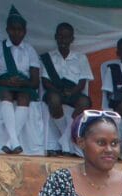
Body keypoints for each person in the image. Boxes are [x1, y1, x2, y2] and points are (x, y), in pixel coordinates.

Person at [0, 5, 40, 154]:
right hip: (3, 84)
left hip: (24, 86)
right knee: (6, 95)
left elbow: (35, 82)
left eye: (20, 30)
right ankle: (15, 142)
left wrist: (23, 83)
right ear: (7, 30)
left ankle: (10, 142)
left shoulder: (30, 51)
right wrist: (7, 82)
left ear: (25, 31)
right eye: (13, 29)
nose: (16, 33)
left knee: (24, 98)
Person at [40, 22, 93, 157]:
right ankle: (67, 138)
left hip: (74, 91)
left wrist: (72, 92)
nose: (63, 40)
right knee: (54, 99)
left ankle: (65, 138)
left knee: (85, 102)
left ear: (72, 39)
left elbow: (83, 82)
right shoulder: (48, 57)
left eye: (67, 37)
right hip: (55, 90)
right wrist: (58, 91)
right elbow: (45, 81)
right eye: (60, 36)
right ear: (55, 37)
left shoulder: (80, 58)